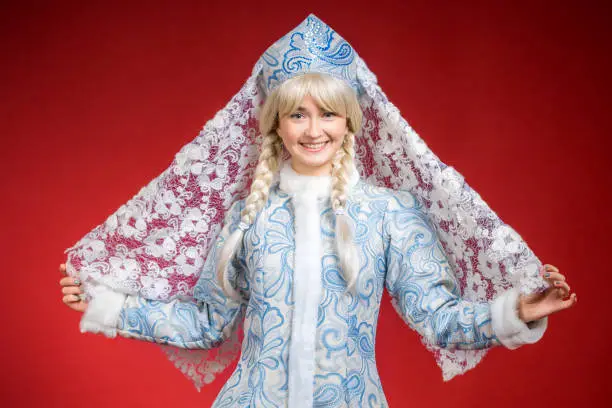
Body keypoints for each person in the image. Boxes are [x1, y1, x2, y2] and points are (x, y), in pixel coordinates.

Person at [59, 15, 576, 408]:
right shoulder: (249, 216)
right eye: (297, 114)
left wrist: (518, 312)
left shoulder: (388, 215)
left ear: (348, 120)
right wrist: (108, 306)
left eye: (328, 112)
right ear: (275, 124)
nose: (313, 130)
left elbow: (438, 318)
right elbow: (205, 323)